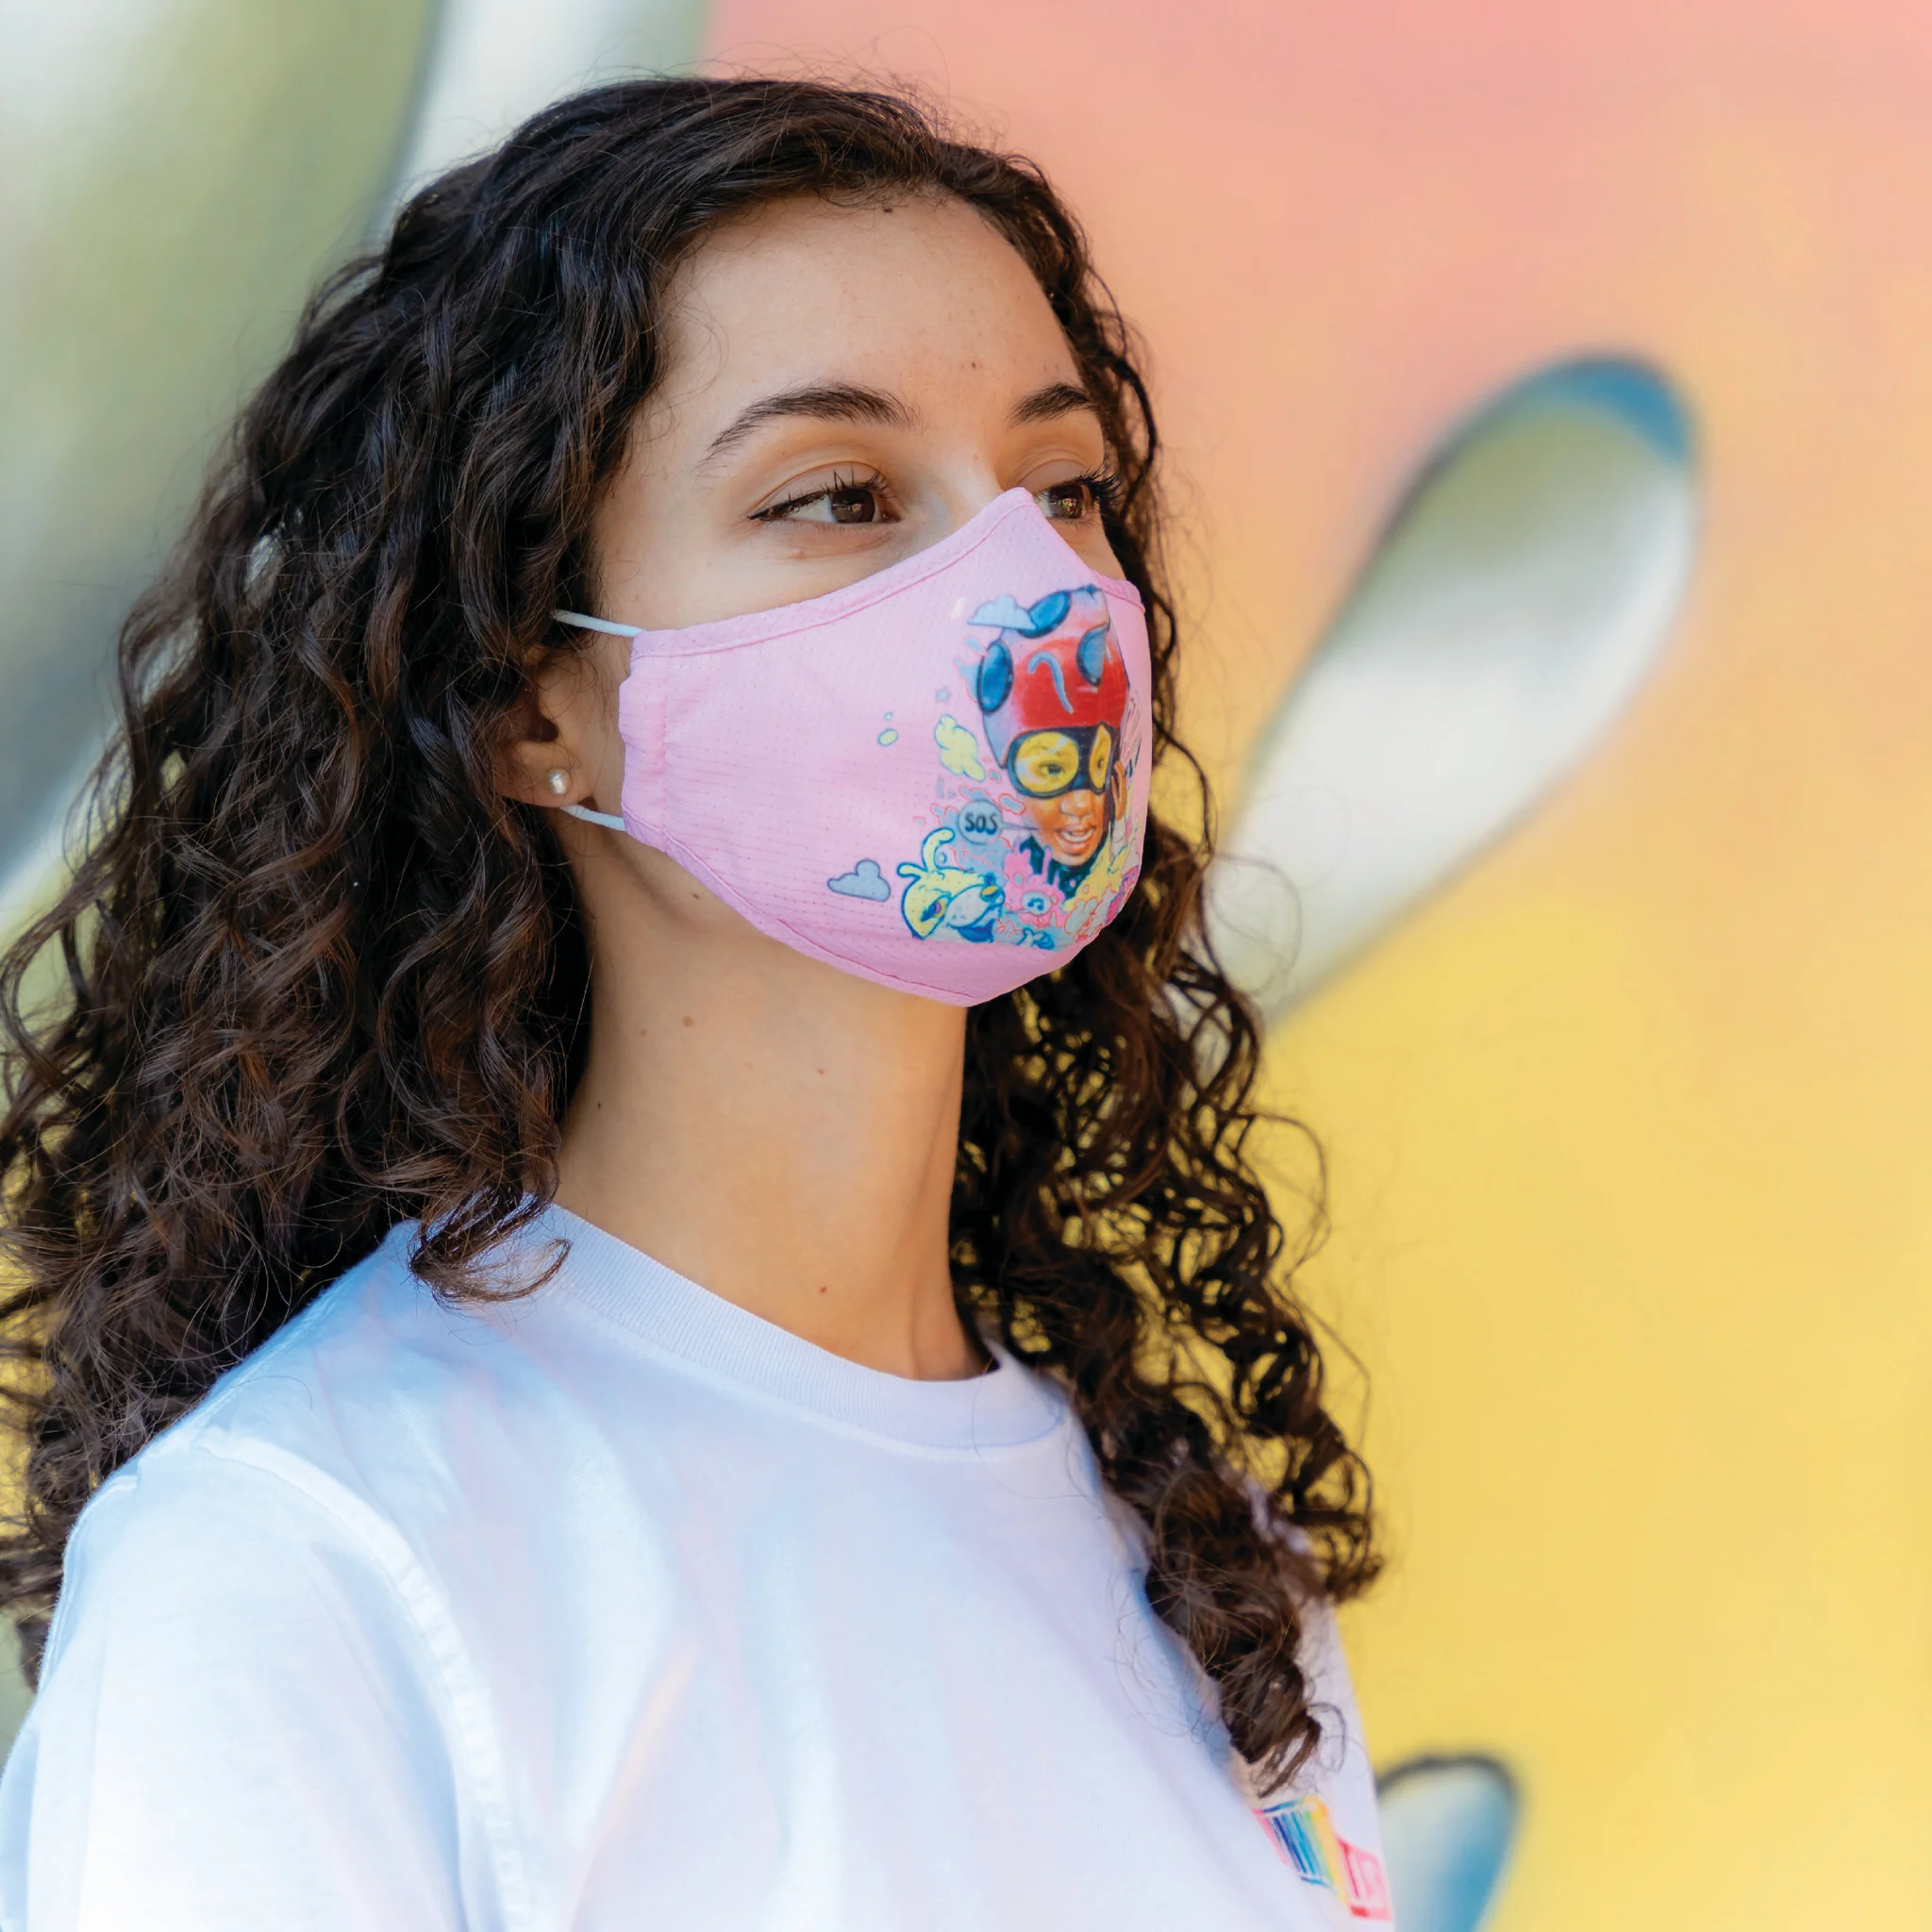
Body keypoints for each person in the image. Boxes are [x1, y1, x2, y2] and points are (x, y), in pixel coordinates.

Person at [0, 78, 1383, 1929]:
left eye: (1060, 490)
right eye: (840, 498)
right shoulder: (305, 1566)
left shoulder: (1213, 1573)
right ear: (529, 702)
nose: (1025, 595)